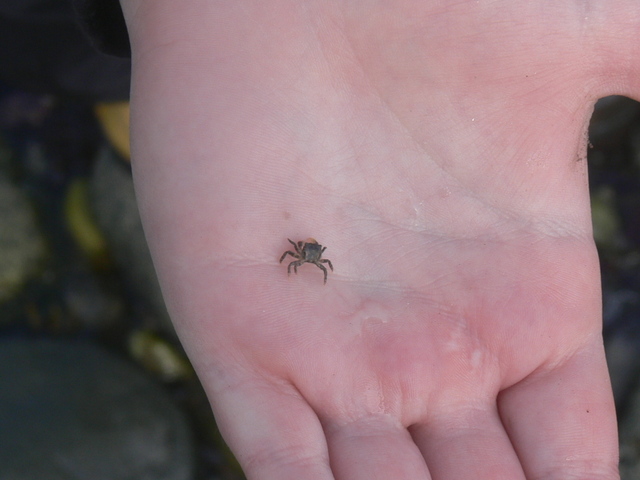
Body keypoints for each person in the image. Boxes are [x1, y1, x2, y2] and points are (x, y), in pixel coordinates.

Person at [114, 1, 631, 478]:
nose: (308, 257)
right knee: (97, 57)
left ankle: (121, 77)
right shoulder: (308, 252)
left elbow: (316, 258)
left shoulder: (313, 255)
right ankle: (120, 85)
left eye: (310, 256)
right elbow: (310, 256)